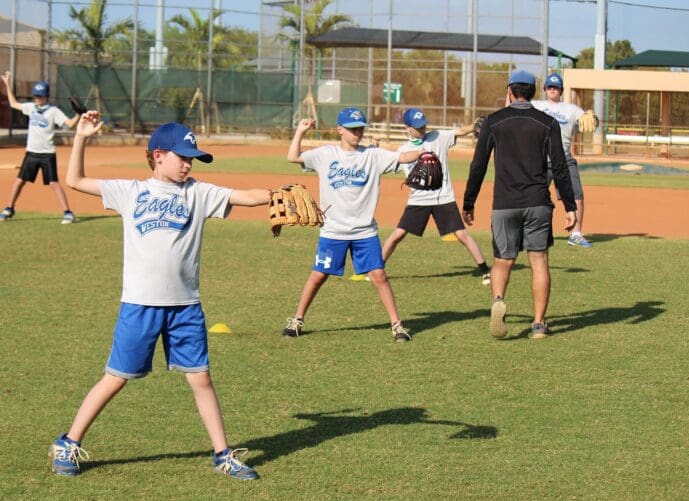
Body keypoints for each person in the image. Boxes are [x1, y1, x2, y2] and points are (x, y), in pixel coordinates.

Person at [48, 112, 270, 479]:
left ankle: (222, 455)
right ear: (157, 156)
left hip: (185, 306)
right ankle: (68, 442)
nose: (187, 164)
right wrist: (82, 137)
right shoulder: (130, 191)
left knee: (201, 379)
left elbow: (244, 196)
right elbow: (74, 180)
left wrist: (278, 195)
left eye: (192, 158)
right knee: (116, 377)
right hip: (140, 304)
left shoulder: (199, 192)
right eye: (182, 156)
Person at [282, 107, 420, 342]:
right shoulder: (325, 154)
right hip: (333, 231)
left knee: (379, 275)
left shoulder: (372, 155)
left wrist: (424, 151)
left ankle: (397, 325)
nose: (357, 133)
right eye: (352, 129)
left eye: (360, 129)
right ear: (339, 130)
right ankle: (297, 320)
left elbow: (403, 157)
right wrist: (300, 131)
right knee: (318, 275)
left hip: (364, 231)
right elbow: (293, 157)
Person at [462, 70, 577, 340]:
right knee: (538, 262)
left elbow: (478, 165)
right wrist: (570, 206)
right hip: (538, 202)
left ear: (510, 91)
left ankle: (499, 299)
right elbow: (560, 168)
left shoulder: (493, 122)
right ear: (534, 92)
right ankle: (538, 325)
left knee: (502, 261)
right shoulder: (547, 122)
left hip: (505, 203)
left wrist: (469, 202)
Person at [382, 108, 491, 286]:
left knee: (462, 234)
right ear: (408, 128)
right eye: (418, 127)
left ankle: (485, 271)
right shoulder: (404, 150)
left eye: (423, 125)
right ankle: (377, 269)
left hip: (443, 197)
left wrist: (476, 124)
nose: (422, 129)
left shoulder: (438, 137)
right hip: (418, 200)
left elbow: (461, 131)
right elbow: (387, 163)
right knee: (398, 234)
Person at [0, 71, 80, 224]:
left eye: (40, 96)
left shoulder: (53, 111)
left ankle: (68, 213)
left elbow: (70, 124)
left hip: (47, 153)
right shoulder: (30, 107)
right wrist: (7, 84)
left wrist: (79, 114)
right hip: (31, 153)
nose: (37, 99)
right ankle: (9, 208)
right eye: (36, 96)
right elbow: (13, 104)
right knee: (20, 181)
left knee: (54, 183)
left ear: (46, 96)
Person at [531, 72, 592, 247]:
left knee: (577, 196)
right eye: (550, 86)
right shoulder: (536, 105)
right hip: (541, 160)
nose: (553, 90)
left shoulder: (572, 110)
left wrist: (593, 121)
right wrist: (509, 91)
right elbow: (513, 107)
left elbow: (586, 121)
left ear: (561, 90)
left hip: (564, 159)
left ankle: (576, 234)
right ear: (545, 89)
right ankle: (531, 232)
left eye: (556, 87)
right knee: (534, 196)